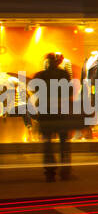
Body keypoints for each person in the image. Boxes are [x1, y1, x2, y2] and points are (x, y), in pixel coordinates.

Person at [30, 52, 76, 182]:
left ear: (46, 63)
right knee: (64, 143)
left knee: (48, 144)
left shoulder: (40, 75)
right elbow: (70, 91)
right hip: (61, 114)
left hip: (45, 114)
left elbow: (34, 91)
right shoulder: (63, 75)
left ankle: (50, 172)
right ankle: (65, 170)